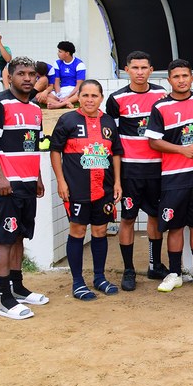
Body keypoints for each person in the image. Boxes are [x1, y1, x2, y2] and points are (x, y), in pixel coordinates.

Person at [0, 57, 47, 319]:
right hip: (6, 185)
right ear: (9, 77)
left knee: (20, 235)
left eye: (31, 74)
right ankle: (4, 299)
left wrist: (39, 177)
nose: (27, 78)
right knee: (6, 237)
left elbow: (32, 145)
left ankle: (18, 287)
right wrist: (0, 176)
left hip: (28, 183)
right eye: (21, 73)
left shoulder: (35, 107)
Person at [145, 59, 193, 293]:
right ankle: (174, 273)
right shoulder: (161, 106)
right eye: (176, 76)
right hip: (174, 177)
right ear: (169, 80)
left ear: (192, 78)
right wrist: (181, 150)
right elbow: (153, 141)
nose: (181, 80)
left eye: (185, 75)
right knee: (175, 227)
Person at [50, 80, 123, 300]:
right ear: (78, 97)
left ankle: (99, 278)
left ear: (101, 97)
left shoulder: (109, 122)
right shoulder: (67, 120)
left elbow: (116, 153)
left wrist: (118, 182)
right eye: (85, 95)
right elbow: (55, 151)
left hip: (104, 188)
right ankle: (78, 282)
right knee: (78, 232)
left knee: (100, 231)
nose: (90, 100)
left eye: (94, 96)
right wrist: (61, 182)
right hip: (77, 189)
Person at [105, 51, 169, 291]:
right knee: (128, 218)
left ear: (151, 70)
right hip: (130, 171)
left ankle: (154, 265)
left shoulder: (161, 95)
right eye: (135, 68)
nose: (140, 72)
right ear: (127, 70)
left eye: (144, 68)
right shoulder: (116, 99)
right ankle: (129, 270)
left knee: (154, 216)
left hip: (157, 169)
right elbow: (109, 135)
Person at [47, 41, 85, 109]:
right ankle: (64, 104)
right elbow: (56, 81)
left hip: (73, 91)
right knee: (40, 95)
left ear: (67, 53)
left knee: (81, 94)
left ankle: (58, 105)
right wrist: (59, 95)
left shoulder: (79, 64)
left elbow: (79, 85)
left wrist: (68, 96)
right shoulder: (57, 63)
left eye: (60, 52)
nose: (58, 53)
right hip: (61, 90)